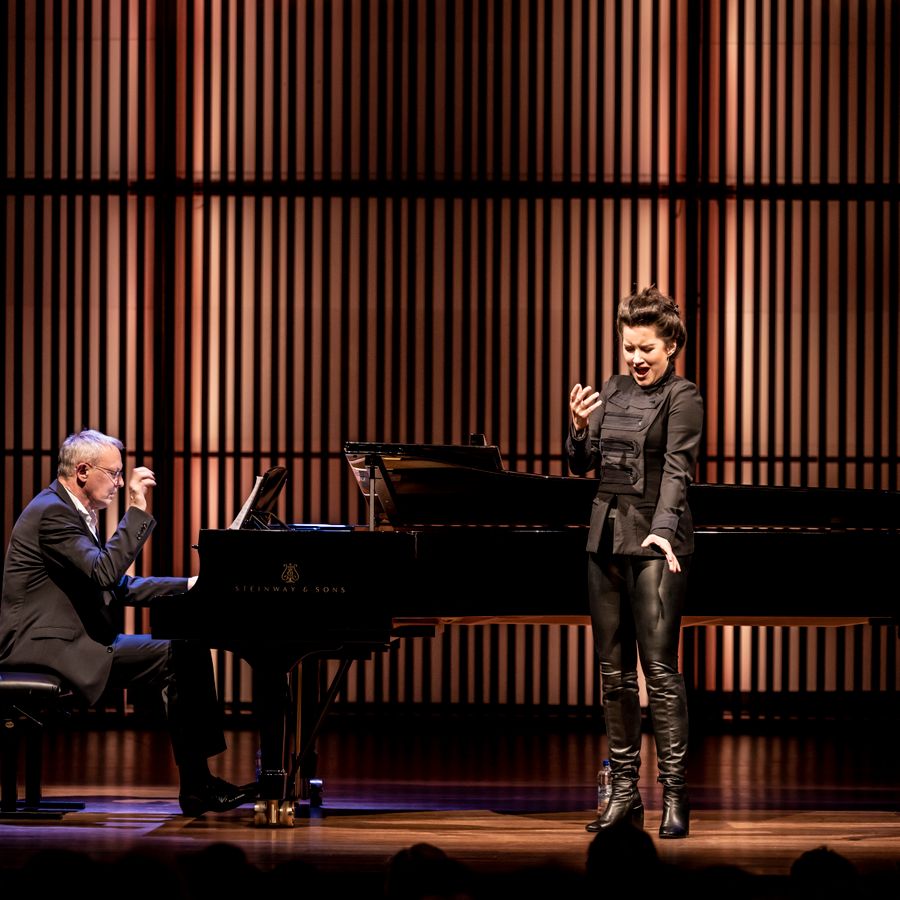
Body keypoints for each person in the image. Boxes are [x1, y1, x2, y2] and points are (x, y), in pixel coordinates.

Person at [0, 428, 255, 817]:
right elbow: (106, 573)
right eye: (114, 473)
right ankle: (198, 786)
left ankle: (198, 784)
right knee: (181, 653)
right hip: (43, 647)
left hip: (66, 641)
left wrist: (193, 584)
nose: (120, 483)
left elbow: (117, 586)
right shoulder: (53, 512)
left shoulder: (68, 510)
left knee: (186, 648)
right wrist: (137, 508)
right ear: (83, 471)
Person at [566, 286, 703, 839]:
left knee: (660, 672)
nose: (636, 358)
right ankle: (623, 793)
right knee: (613, 673)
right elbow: (583, 466)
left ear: (670, 346)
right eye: (628, 348)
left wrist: (663, 532)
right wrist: (578, 429)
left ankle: (675, 793)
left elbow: (678, 470)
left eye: (646, 348)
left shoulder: (683, 396)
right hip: (605, 537)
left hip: (655, 541)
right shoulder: (613, 390)